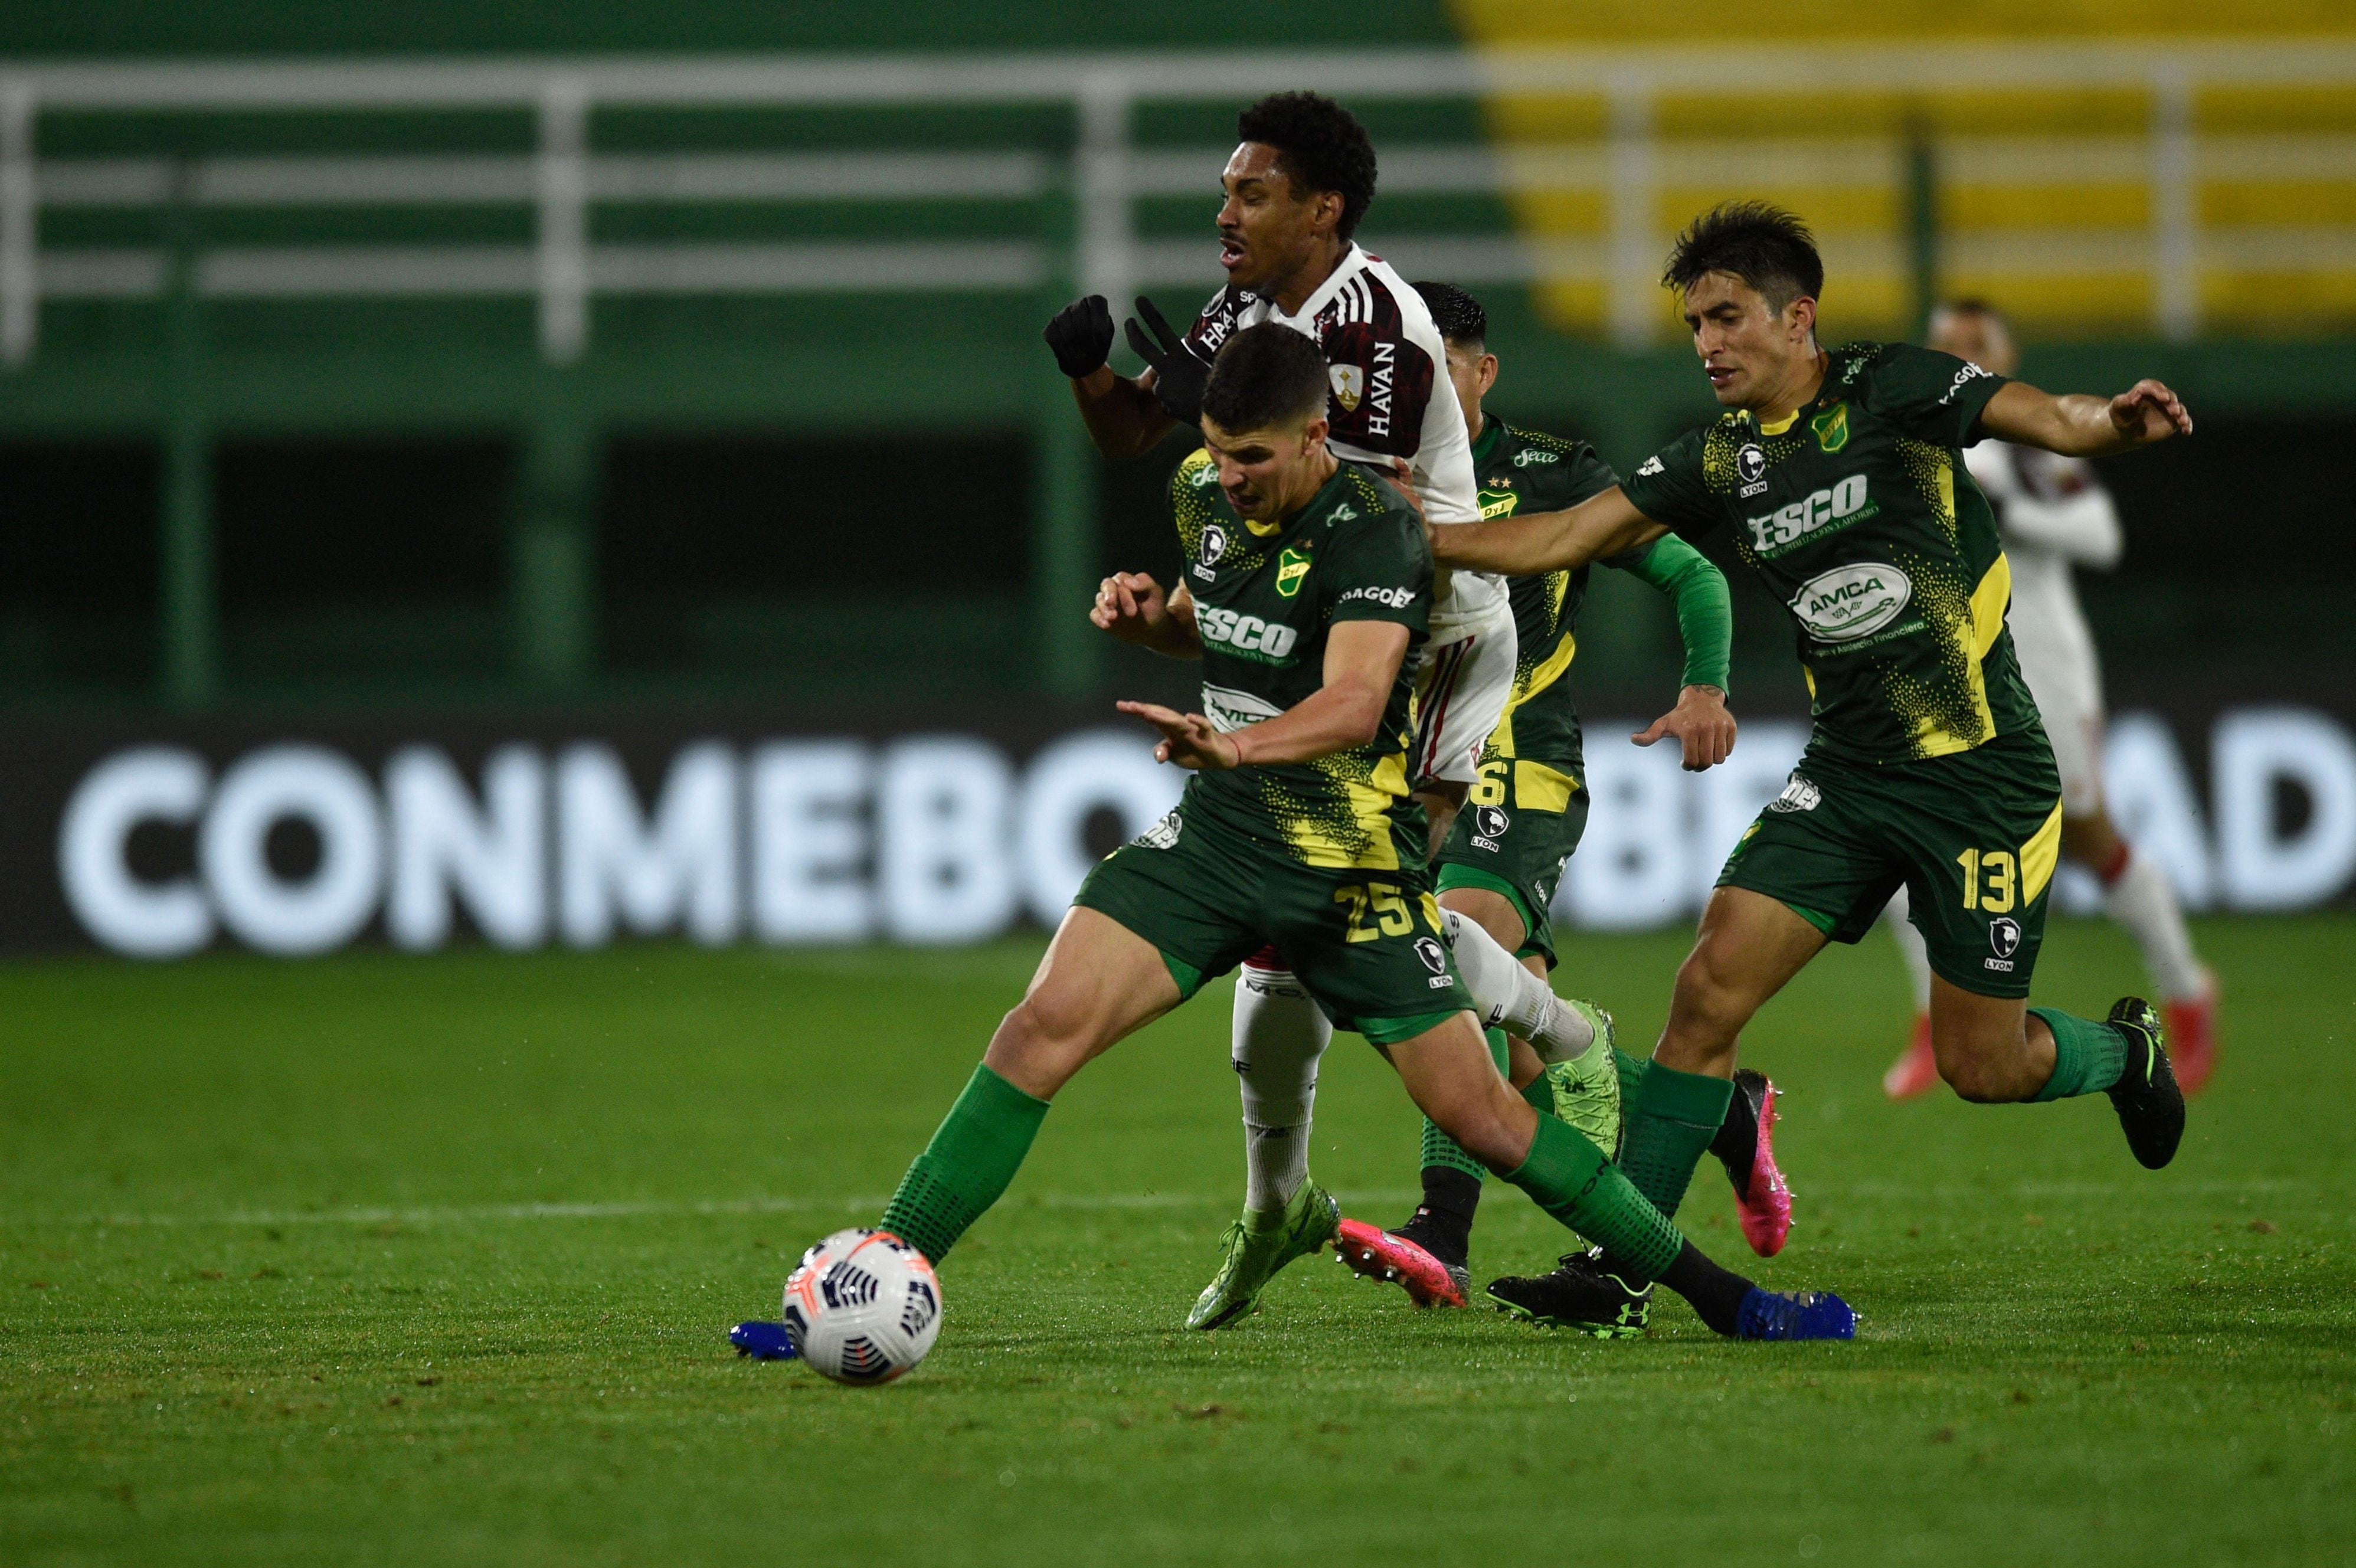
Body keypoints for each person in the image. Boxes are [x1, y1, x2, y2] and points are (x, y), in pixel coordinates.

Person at [869, 322, 1857, 1346]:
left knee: (1489, 1120)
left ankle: (1727, 1300)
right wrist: (1150, 622)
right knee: (1037, 1031)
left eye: (1253, 454)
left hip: (1348, 873)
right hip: (1212, 845)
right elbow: (1219, 621)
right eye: (1216, 446)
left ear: (1314, 436)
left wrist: (1238, 748)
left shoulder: (1376, 531)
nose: (1230, 473)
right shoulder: (1203, 491)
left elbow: (1351, 700)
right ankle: (878, 1271)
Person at [1428, 201, 2190, 1333]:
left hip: (1981, 772)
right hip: (1849, 774)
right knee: (1705, 992)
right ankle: (1622, 1265)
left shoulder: (1894, 389)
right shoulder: (1719, 455)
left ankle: (2125, 1050)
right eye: (1695, 324)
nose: (1708, 344)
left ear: (1800, 318)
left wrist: (2111, 423)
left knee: (1984, 1062)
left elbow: (2048, 417)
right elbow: (1559, 536)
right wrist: (1417, 537)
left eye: (1727, 317)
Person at [1040, 92, 1733, 1331]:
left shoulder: (1378, 328)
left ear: (1324, 209)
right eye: (1224, 188)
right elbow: (1139, 437)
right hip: (1323, 627)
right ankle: (1521, 1067)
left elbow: (1353, 506)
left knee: (1359, 907)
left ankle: (1536, 1062)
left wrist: (1225, 427)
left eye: (1250, 192)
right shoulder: (1245, 308)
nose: (1224, 213)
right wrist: (1096, 374)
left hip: (1426, 640)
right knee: (1326, 923)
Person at [1326, 281, 1791, 1332]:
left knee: (1446, 952)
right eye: (1403, 374)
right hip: (1410, 772)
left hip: (1520, 766)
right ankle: (1726, 1109)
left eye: (1440, 369)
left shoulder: (1547, 474)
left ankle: (1442, 1232)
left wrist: (1705, 683)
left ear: (1483, 373)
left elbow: (1689, 572)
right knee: (1523, 1052)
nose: (1420, 395)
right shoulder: (1359, 479)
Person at [1876, 300, 2218, 1100]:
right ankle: (1934, 1020)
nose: (1957, 353)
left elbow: (2102, 536)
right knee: (1897, 837)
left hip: (2045, 668)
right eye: (1946, 342)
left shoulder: (2027, 441)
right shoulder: (1903, 440)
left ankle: (2188, 990)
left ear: (2004, 353)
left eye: (1975, 344)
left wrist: (2012, 507)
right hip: (1950, 672)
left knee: (2093, 839)